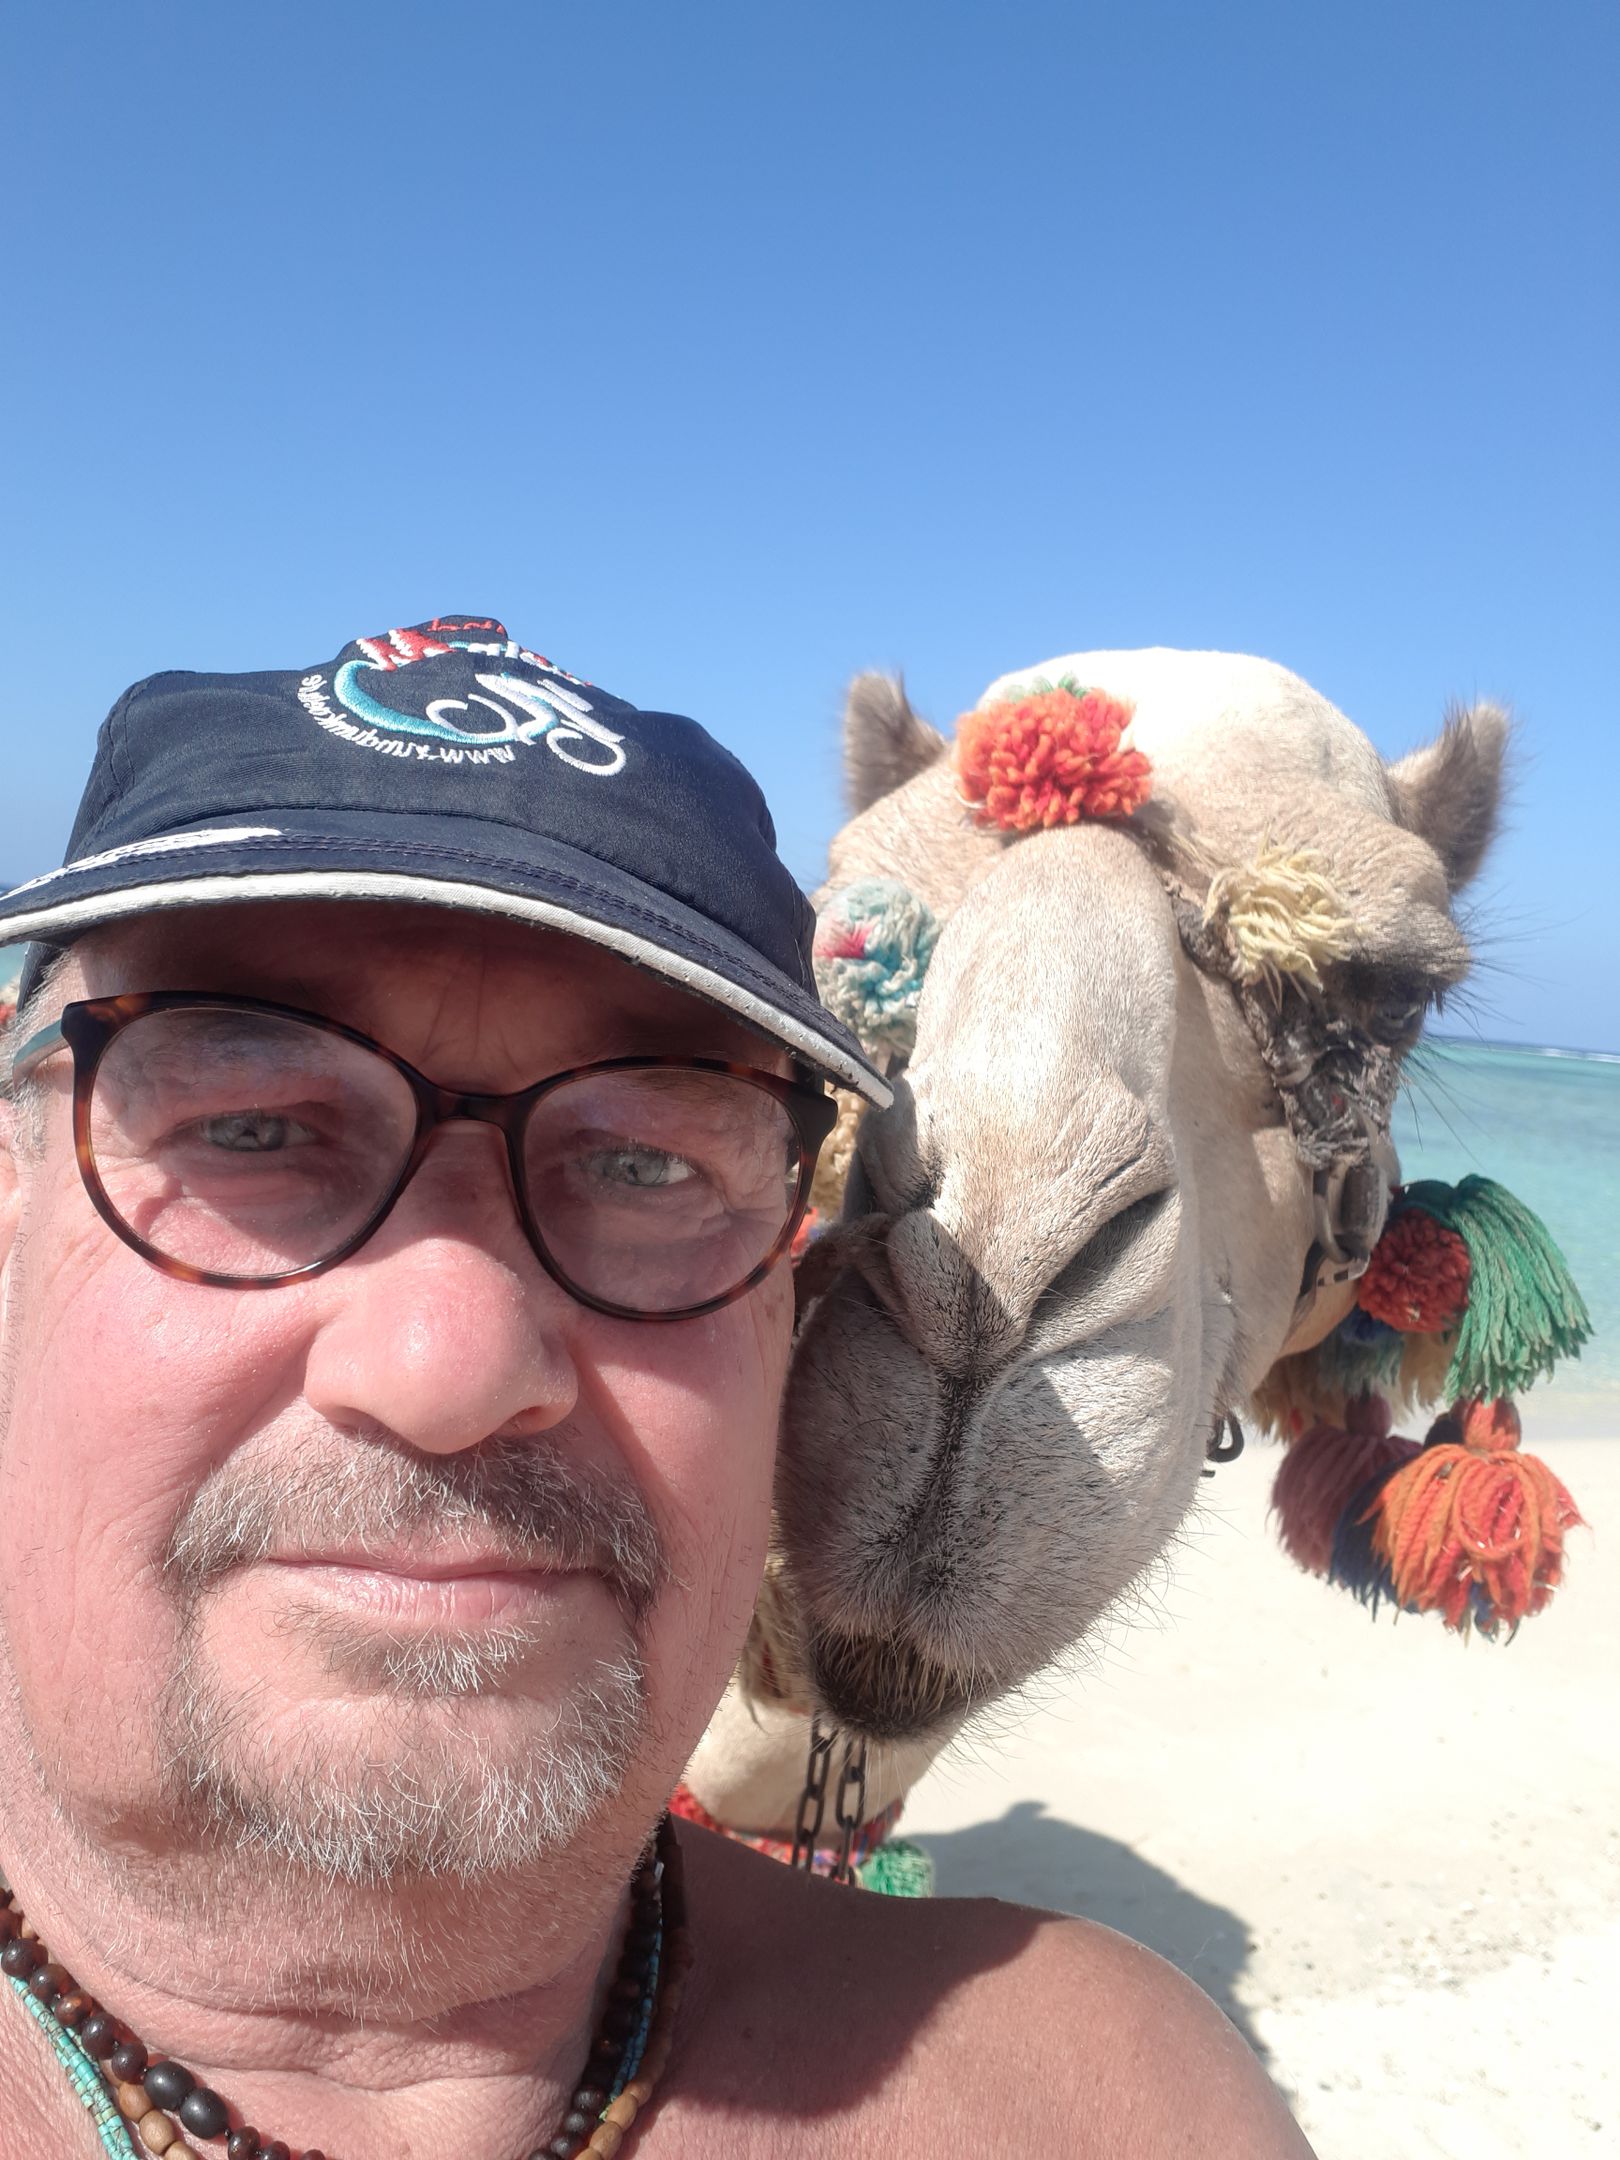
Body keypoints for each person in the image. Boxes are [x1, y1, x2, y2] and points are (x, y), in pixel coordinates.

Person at [0, 617, 1311, 2158]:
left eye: (648, 1163)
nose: (450, 1366)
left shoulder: (1113, 2108)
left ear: (786, 1290)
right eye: (251, 1129)